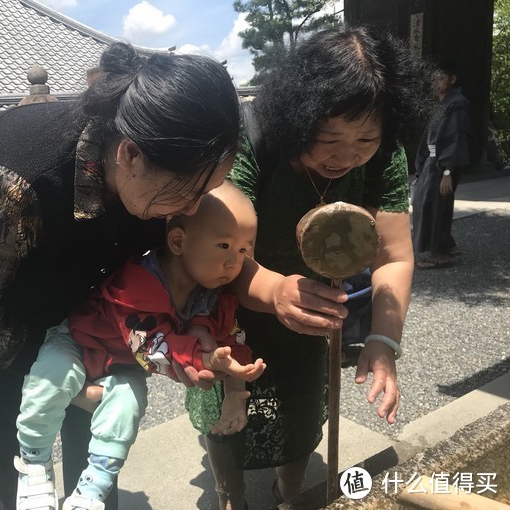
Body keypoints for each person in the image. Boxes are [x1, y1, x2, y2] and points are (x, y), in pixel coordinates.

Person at [0, 42, 245, 510]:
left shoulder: (160, 180)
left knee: (90, 420)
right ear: (129, 154)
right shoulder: (21, 175)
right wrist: (58, 382)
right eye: (186, 193)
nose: (191, 209)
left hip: (74, 295)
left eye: (206, 191)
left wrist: (188, 336)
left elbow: (163, 277)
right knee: (12, 430)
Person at [185, 24, 433, 509]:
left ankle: (291, 494)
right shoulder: (254, 141)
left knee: (301, 410)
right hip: (229, 294)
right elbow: (210, 251)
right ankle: (229, 497)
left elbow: (395, 255)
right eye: (329, 138)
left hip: (313, 306)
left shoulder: (383, 156)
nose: (346, 156)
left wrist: (383, 341)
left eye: (364, 138)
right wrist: (274, 288)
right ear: (298, 117)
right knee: (223, 409)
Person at [15, 182, 265, 510]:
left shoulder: (213, 296)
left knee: (127, 407)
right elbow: (147, 343)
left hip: (123, 365)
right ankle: (33, 464)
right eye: (224, 246)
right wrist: (201, 357)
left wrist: (234, 387)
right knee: (50, 381)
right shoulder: (138, 280)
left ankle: (91, 490)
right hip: (78, 341)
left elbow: (230, 342)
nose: (236, 262)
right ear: (178, 241)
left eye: (245, 250)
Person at [412, 60, 471, 269]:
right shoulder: (442, 102)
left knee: (438, 206)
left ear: (452, 79)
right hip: (433, 162)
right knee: (423, 204)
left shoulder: (457, 103)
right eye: (434, 78)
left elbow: (455, 136)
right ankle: (445, 244)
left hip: (443, 165)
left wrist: (447, 170)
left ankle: (439, 253)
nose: (436, 82)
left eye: (441, 78)